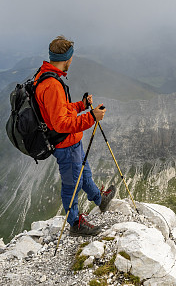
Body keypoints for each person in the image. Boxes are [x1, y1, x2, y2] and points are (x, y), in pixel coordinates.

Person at [34, 35, 115, 236]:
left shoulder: (46, 76)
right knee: (72, 184)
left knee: (84, 174)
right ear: (67, 58)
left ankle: (100, 199)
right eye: (72, 57)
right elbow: (60, 124)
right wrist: (91, 117)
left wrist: (81, 106)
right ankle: (75, 223)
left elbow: (58, 110)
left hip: (72, 142)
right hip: (65, 144)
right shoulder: (52, 85)